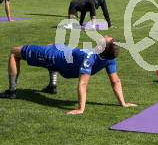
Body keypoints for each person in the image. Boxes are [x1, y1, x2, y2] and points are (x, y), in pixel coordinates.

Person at [0, 36, 136, 115]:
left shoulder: (89, 58)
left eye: (107, 38)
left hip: (53, 57)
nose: (105, 36)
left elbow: (83, 84)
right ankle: (52, 85)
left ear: (102, 47)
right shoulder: (109, 58)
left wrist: (80, 109)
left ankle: (12, 91)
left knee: (14, 52)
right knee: (52, 44)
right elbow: (115, 81)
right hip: (64, 53)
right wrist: (123, 104)